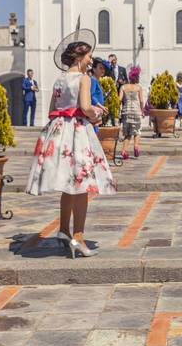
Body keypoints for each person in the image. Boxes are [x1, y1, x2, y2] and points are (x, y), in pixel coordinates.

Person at [24, 39, 118, 258]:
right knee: (82, 185)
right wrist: (96, 113)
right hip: (77, 132)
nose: (90, 60)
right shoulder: (84, 79)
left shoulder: (59, 80)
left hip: (58, 132)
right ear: (79, 57)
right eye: (88, 57)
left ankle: (64, 230)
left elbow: (52, 109)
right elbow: (85, 107)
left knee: (68, 184)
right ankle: (78, 237)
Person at [119, 66, 146, 160]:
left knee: (127, 134)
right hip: (136, 111)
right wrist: (142, 110)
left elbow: (119, 100)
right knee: (137, 131)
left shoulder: (123, 87)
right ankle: (136, 146)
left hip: (126, 111)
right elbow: (142, 101)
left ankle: (123, 151)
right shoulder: (138, 87)